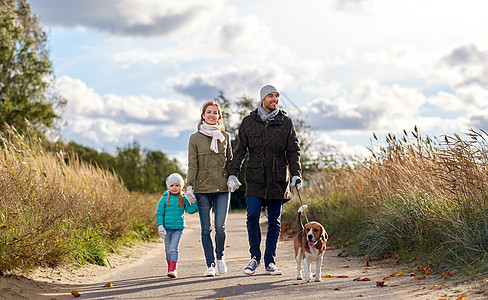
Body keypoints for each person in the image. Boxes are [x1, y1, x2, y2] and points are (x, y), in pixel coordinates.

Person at [227, 84, 303, 276]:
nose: (275, 99)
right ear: (262, 99)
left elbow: (293, 150)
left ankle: (270, 261)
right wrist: (233, 173)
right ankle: (254, 258)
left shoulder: (286, 122)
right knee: (252, 215)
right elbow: (240, 151)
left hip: (278, 179)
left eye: (277, 96)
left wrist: (296, 174)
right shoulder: (248, 122)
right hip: (255, 178)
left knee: (274, 222)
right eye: (271, 96)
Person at [186, 100, 233, 276]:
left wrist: (233, 177)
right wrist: (189, 186)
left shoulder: (226, 137)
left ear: (219, 117)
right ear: (203, 115)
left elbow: (231, 162)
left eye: (215, 113)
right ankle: (210, 264)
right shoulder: (195, 138)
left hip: (222, 188)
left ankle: (220, 256)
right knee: (206, 229)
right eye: (209, 112)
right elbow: (192, 164)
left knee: (220, 227)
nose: (212, 115)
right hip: (202, 189)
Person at [156, 173, 198, 278]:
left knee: (174, 248)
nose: (174, 188)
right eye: (172, 185)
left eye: (177, 185)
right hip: (166, 229)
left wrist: (193, 202)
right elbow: (159, 213)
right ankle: (170, 266)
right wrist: (160, 226)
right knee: (168, 249)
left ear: (181, 187)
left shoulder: (183, 198)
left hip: (178, 229)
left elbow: (190, 210)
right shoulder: (164, 199)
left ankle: (173, 269)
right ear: (168, 187)